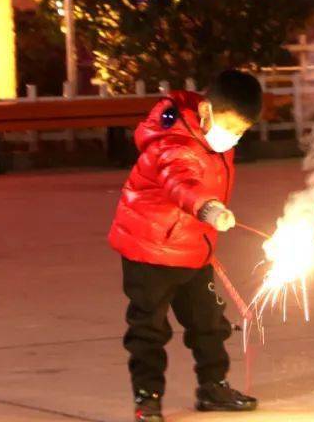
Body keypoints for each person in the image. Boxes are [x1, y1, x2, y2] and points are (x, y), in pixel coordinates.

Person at [109, 70, 263, 422]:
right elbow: (179, 181)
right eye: (230, 128)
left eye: (241, 132)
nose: (233, 138)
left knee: (209, 321)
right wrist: (207, 208)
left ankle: (213, 386)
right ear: (206, 111)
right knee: (148, 327)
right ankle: (147, 399)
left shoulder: (213, 137)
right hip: (149, 249)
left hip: (194, 248)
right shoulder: (174, 142)